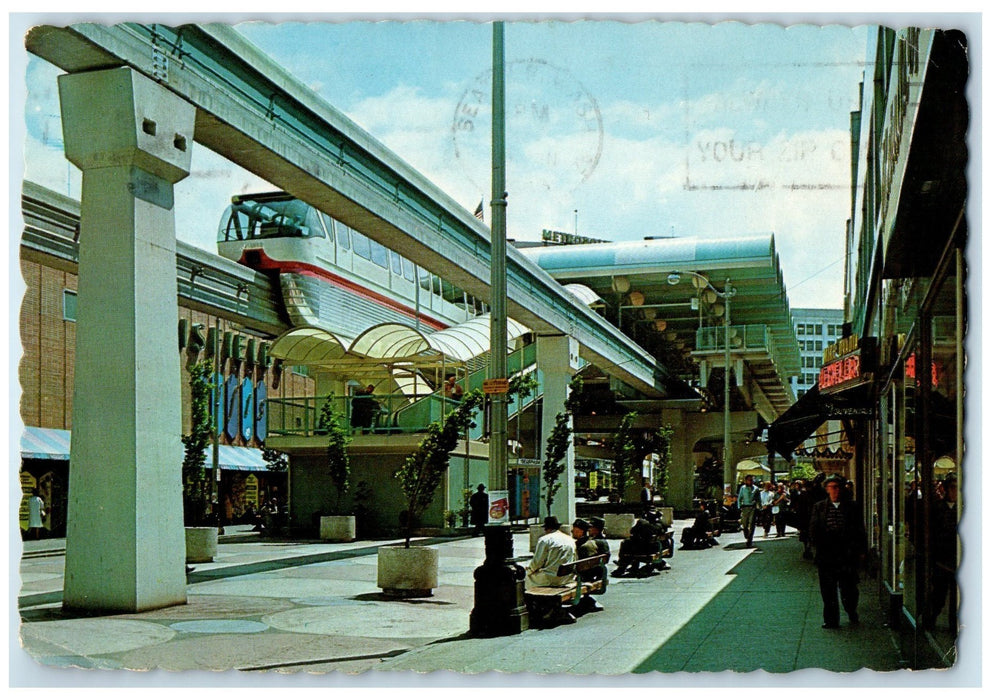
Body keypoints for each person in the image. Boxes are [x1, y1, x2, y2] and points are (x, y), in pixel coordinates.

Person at [809, 474, 867, 629]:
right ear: (827, 489)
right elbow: (814, 530)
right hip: (827, 556)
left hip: (846, 556)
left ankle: (851, 610)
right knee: (828, 591)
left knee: (849, 589)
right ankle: (831, 620)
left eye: (836, 487)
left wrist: (861, 551)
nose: (834, 491)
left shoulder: (852, 507)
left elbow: (860, 530)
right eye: (831, 487)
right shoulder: (820, 507)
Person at [926, 474, 958, 629]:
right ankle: (932, 617)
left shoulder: (963, 509)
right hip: (941, 559)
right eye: (952, 488)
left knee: (956, 595)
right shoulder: (937, 508)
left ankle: (954, 622)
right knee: (939, 592)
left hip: (957, 558)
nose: (955, 492)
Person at [614, 510, 670, 577]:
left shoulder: (642, 523)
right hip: (654, 548)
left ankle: (622, 566)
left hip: (643, 550)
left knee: (626, 544)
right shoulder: (660, 525)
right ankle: (628, 567)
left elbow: (632, 531)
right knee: (631, 544)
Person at [525, 516, 576, 589]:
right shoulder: (570, 539)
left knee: (527, 577)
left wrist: (529, 570)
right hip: (566, 577)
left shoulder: (545, 540)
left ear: (546, 528)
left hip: (551, 578)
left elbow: (537, 562)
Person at [737, 474, 760, 547]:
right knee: (744, 524)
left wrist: (760, 507)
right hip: (744, 507)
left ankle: (749, 540)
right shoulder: (743, 488)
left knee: (752, 524)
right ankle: (746, 534)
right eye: (749, 480)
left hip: (752, 507)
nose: (751, 481)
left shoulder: (756, 488)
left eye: (752, 480)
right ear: (746, 481)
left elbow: (758, 499)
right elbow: (739, 498)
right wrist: (739, 506)